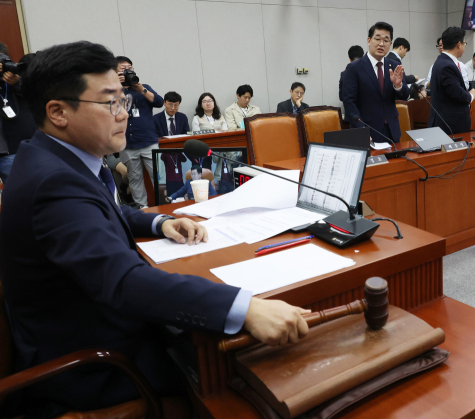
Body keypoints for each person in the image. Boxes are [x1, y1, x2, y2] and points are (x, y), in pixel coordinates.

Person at [0, 41, 310, 417]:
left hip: (91, 328)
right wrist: (243, 308)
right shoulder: (53, 184)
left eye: (124, 101)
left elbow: (104, 212)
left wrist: (159, 221)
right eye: (110, 102)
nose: (124, 114)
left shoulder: (52, 158)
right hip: (95, 365)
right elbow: (124, 282)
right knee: (245, 373)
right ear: (58, 112)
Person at [342, 21, 410, 144]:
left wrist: (398, 85)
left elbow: (404, 95)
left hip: (392, 131)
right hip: (368, 131)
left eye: (386, 40)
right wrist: (361, 130)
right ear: (369, 40)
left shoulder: (394, 65)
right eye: (377, 39)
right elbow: (349, 102)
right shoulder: (354, 68)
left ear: (390, 44)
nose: (381, 44)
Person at [116, 56, 164, 209]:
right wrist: (115, 85)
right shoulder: (112, 90)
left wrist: (141, 89)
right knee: (135, 178)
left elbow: (159, 102)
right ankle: (142, 209)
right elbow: (108, 109)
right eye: (123, 68)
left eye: (130, 67)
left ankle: (164, 204)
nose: (127, 71)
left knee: (159, 176)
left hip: (148, 141)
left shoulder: (144, 87)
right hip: (128, 144)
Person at [428, 27, 475, 135]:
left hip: (448, 123)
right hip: (449, 125)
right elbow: (456, 93)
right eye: (464, 43)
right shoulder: (447, 66)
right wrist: (471, 95)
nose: (464, 46)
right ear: (459, 44)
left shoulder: (442, 61)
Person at [0, 49, 38, 184]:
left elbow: (37, 97)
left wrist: (17, 82)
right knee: (20, 190)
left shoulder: (15, 81)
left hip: (31, 146)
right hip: (7, 152)